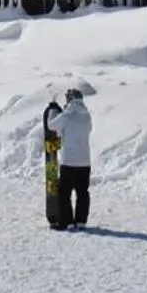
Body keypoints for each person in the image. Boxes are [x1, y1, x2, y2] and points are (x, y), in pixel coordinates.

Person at [51, 87, 93, 228]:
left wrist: (53, 111)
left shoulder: (67, 116)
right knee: (82, 193)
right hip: (85, 162)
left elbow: (52, 126)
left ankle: (66, 221)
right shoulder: (87, 117)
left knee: (64, 193)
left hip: (69, 162)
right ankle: (81, 221)